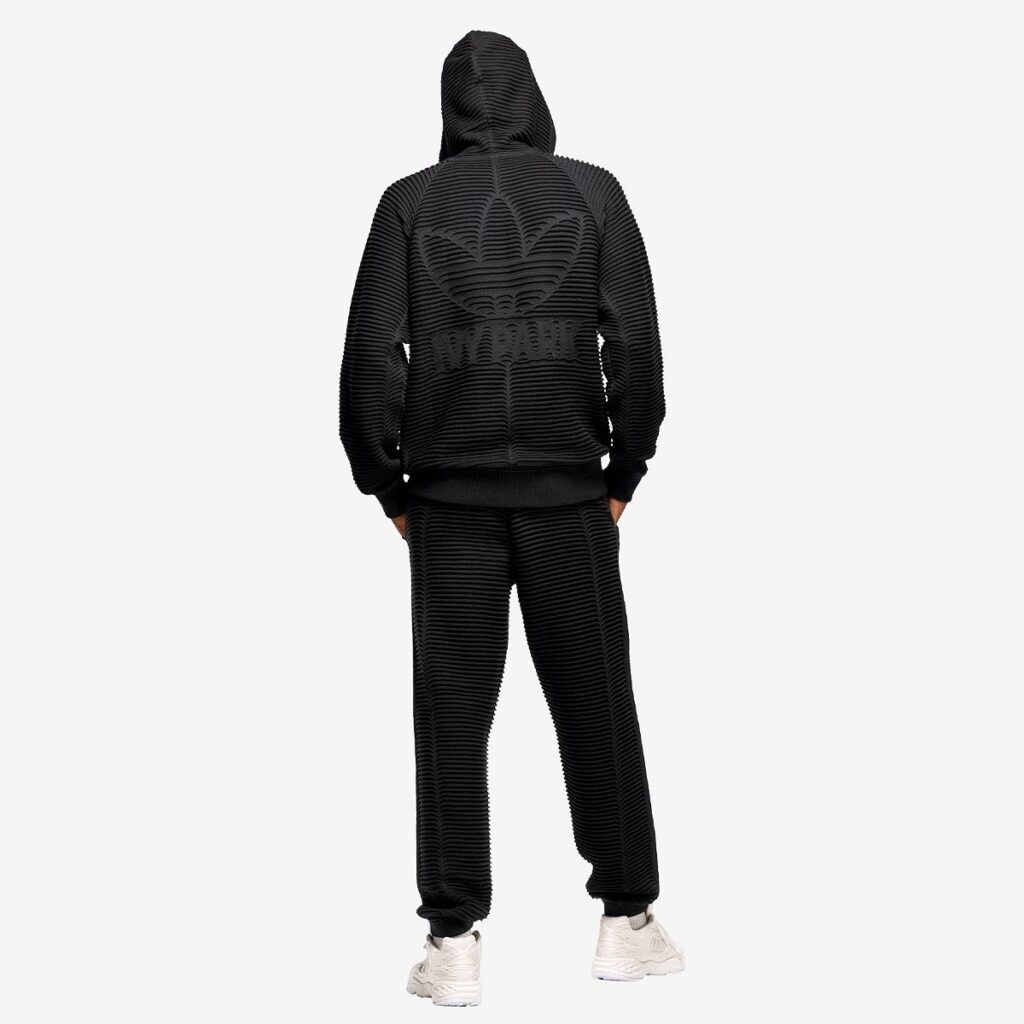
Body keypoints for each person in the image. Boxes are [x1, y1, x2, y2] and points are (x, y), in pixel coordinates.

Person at [339, 29, 683, 1006]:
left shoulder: (408, 203)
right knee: (597, 703)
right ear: (535, 97)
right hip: (570, 498)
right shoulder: (593, 193)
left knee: (450, 716)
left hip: (448, 508)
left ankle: (452, 942)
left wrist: (390, 487)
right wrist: (624, 469)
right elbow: (638, 346)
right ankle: (627, 923)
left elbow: (369, 360)